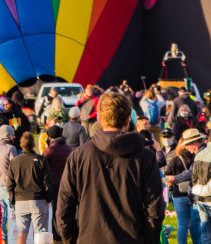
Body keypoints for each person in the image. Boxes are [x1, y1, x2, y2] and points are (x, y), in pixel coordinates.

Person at [56, 90, 165, 243]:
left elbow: (63, 207)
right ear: (128, 120)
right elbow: (155, 209)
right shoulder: (144, 157)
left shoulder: (80, 155)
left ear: (99, 119)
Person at [6, 131, 52, 244]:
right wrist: (48, 199)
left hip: (20, 201)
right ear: (34, 145)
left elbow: (10, 184)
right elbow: (47, 182)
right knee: (40, 232)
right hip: (38, 201)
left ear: (21, 145)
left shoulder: (14, 161)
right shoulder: (41, 160)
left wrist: (12, 200)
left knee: (22, 233)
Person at [164, 128, 206, 244]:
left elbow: (167, 174)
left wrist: (173, 179)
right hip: (194, 193)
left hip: (180, 194)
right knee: (195, 222)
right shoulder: (197, 155)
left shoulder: (175, 159)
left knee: (182, 223)